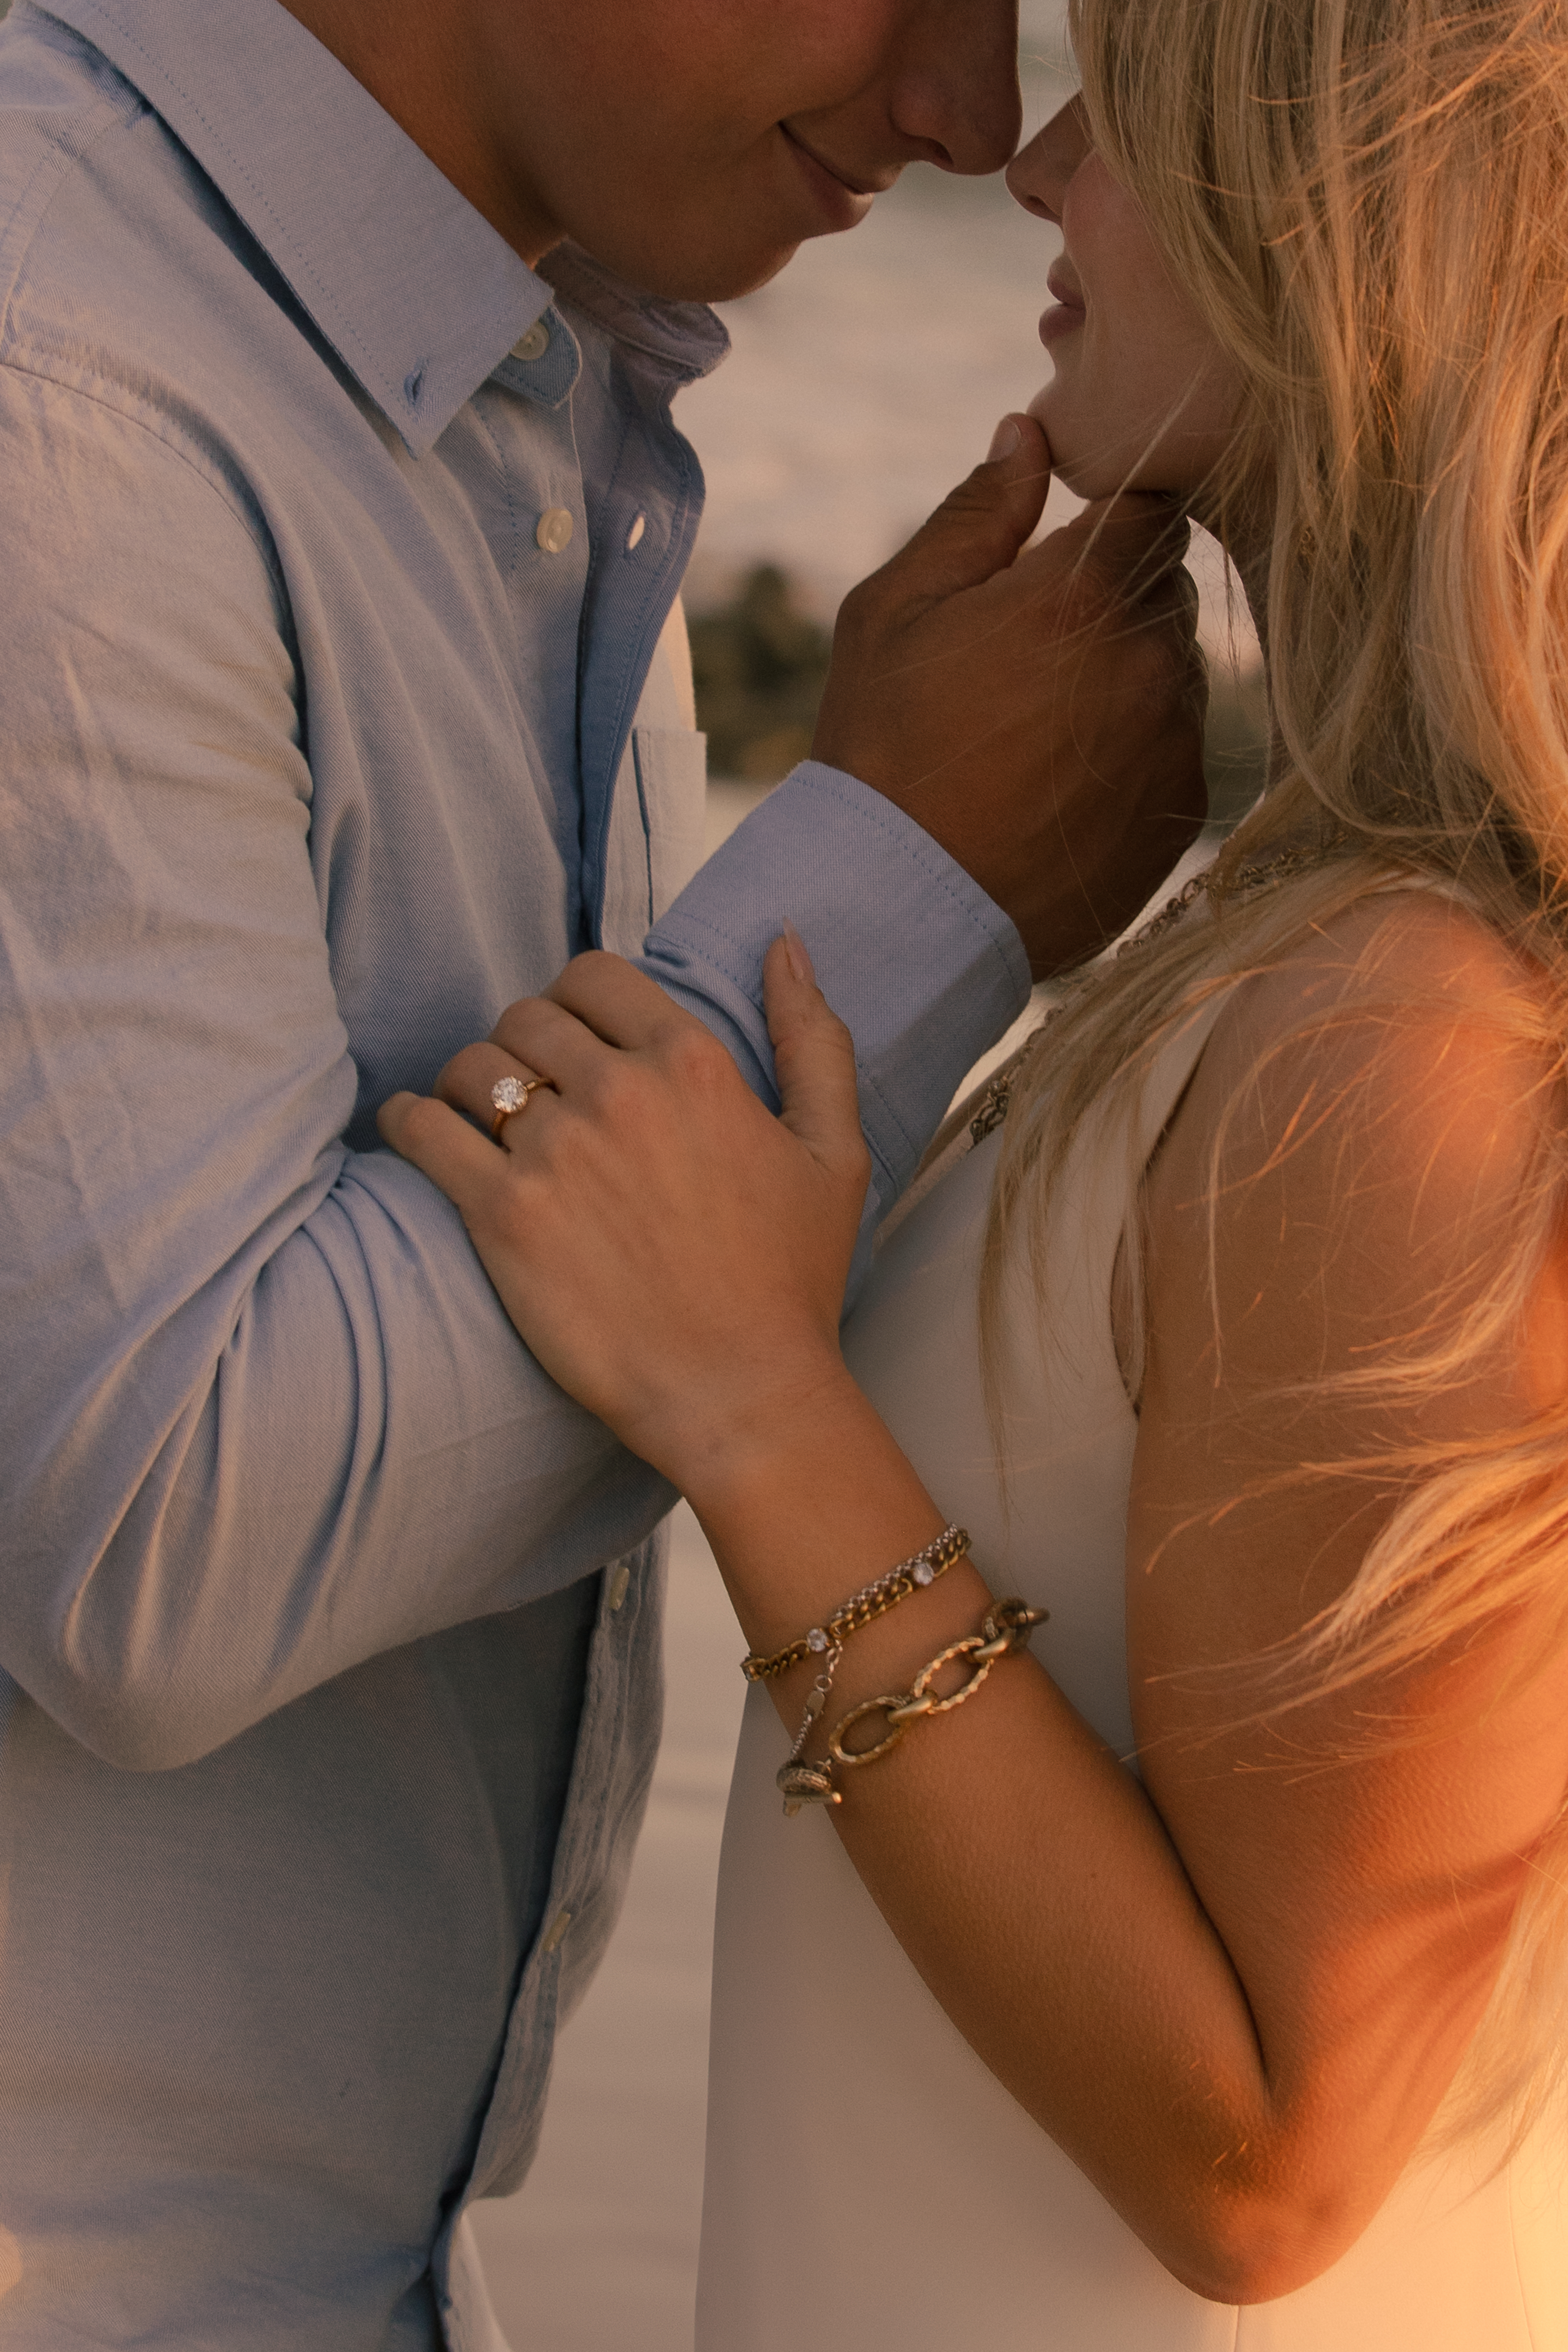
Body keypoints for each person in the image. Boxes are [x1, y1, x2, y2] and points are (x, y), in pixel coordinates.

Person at [0, 0, 1214, 2341]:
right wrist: (899, 885)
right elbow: (160, 1517)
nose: (972, 116)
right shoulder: (64, 369)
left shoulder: (524, 368)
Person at [383, 0, 1568, 2344]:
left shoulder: (1404, 1045)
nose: (1033, 166)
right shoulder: (1290, 952)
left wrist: (763, 1417)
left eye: (1134, 102)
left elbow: (1273, 2156)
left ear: (1339, 221)